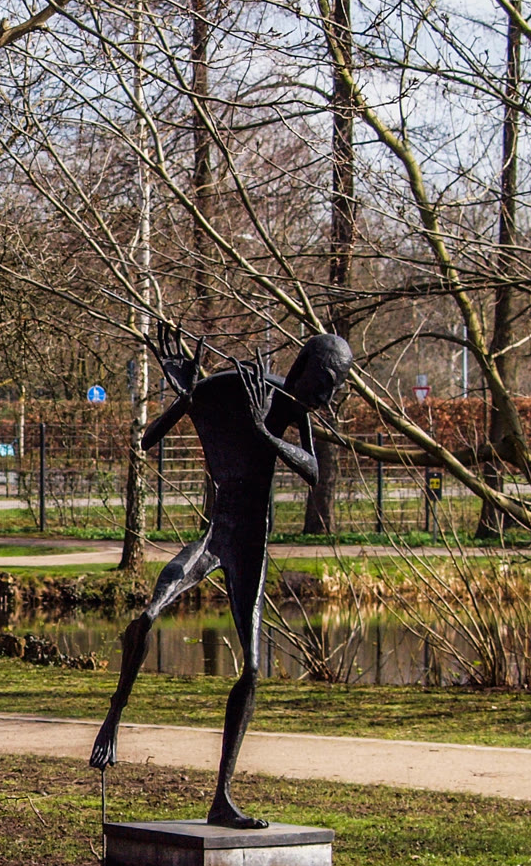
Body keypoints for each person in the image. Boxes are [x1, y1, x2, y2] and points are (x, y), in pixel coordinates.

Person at [88, 327, 354, 827]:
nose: (328, 393)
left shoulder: (291, 408)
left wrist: (264, 432)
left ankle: (222, 798)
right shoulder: (239, 388)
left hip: (251, 544)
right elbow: (148, 439)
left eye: (337, 384)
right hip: (218, 535)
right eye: (325, 380)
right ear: (304, 368)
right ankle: (115, 714)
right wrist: (186, 395)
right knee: (150, 613)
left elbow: (313, 471)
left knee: (251, 670)